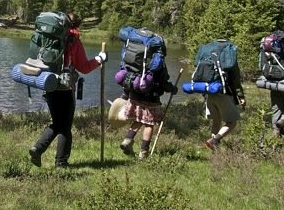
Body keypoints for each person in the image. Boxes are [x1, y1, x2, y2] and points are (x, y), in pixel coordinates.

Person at [28, 12, 106, 168]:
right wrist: (100, 59)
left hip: (48, 83)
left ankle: (37, 148)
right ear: (77, 26)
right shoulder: (74, 41)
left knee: (57, 123)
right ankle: (61, 162)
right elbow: (83, 67)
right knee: (65, 126)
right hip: (65, 88)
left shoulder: (49, 37)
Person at [118, 49, 178, 160]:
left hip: (135, 95)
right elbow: (163, 82)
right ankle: (143, 152)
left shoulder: (137, 57)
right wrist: (172, 89)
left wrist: (126, 94)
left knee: (138, 119)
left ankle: (127, 140)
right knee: (149, 124)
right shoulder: (158, 61)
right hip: (151, 98)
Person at [202, 39, 246, 150]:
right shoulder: (229, 60)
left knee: (216, 121)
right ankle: (215, 140)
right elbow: (235, 80)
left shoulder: (208, 55)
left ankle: (213, 149)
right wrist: (241, 96)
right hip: (224, 93)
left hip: (209, 93)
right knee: (232, 122)